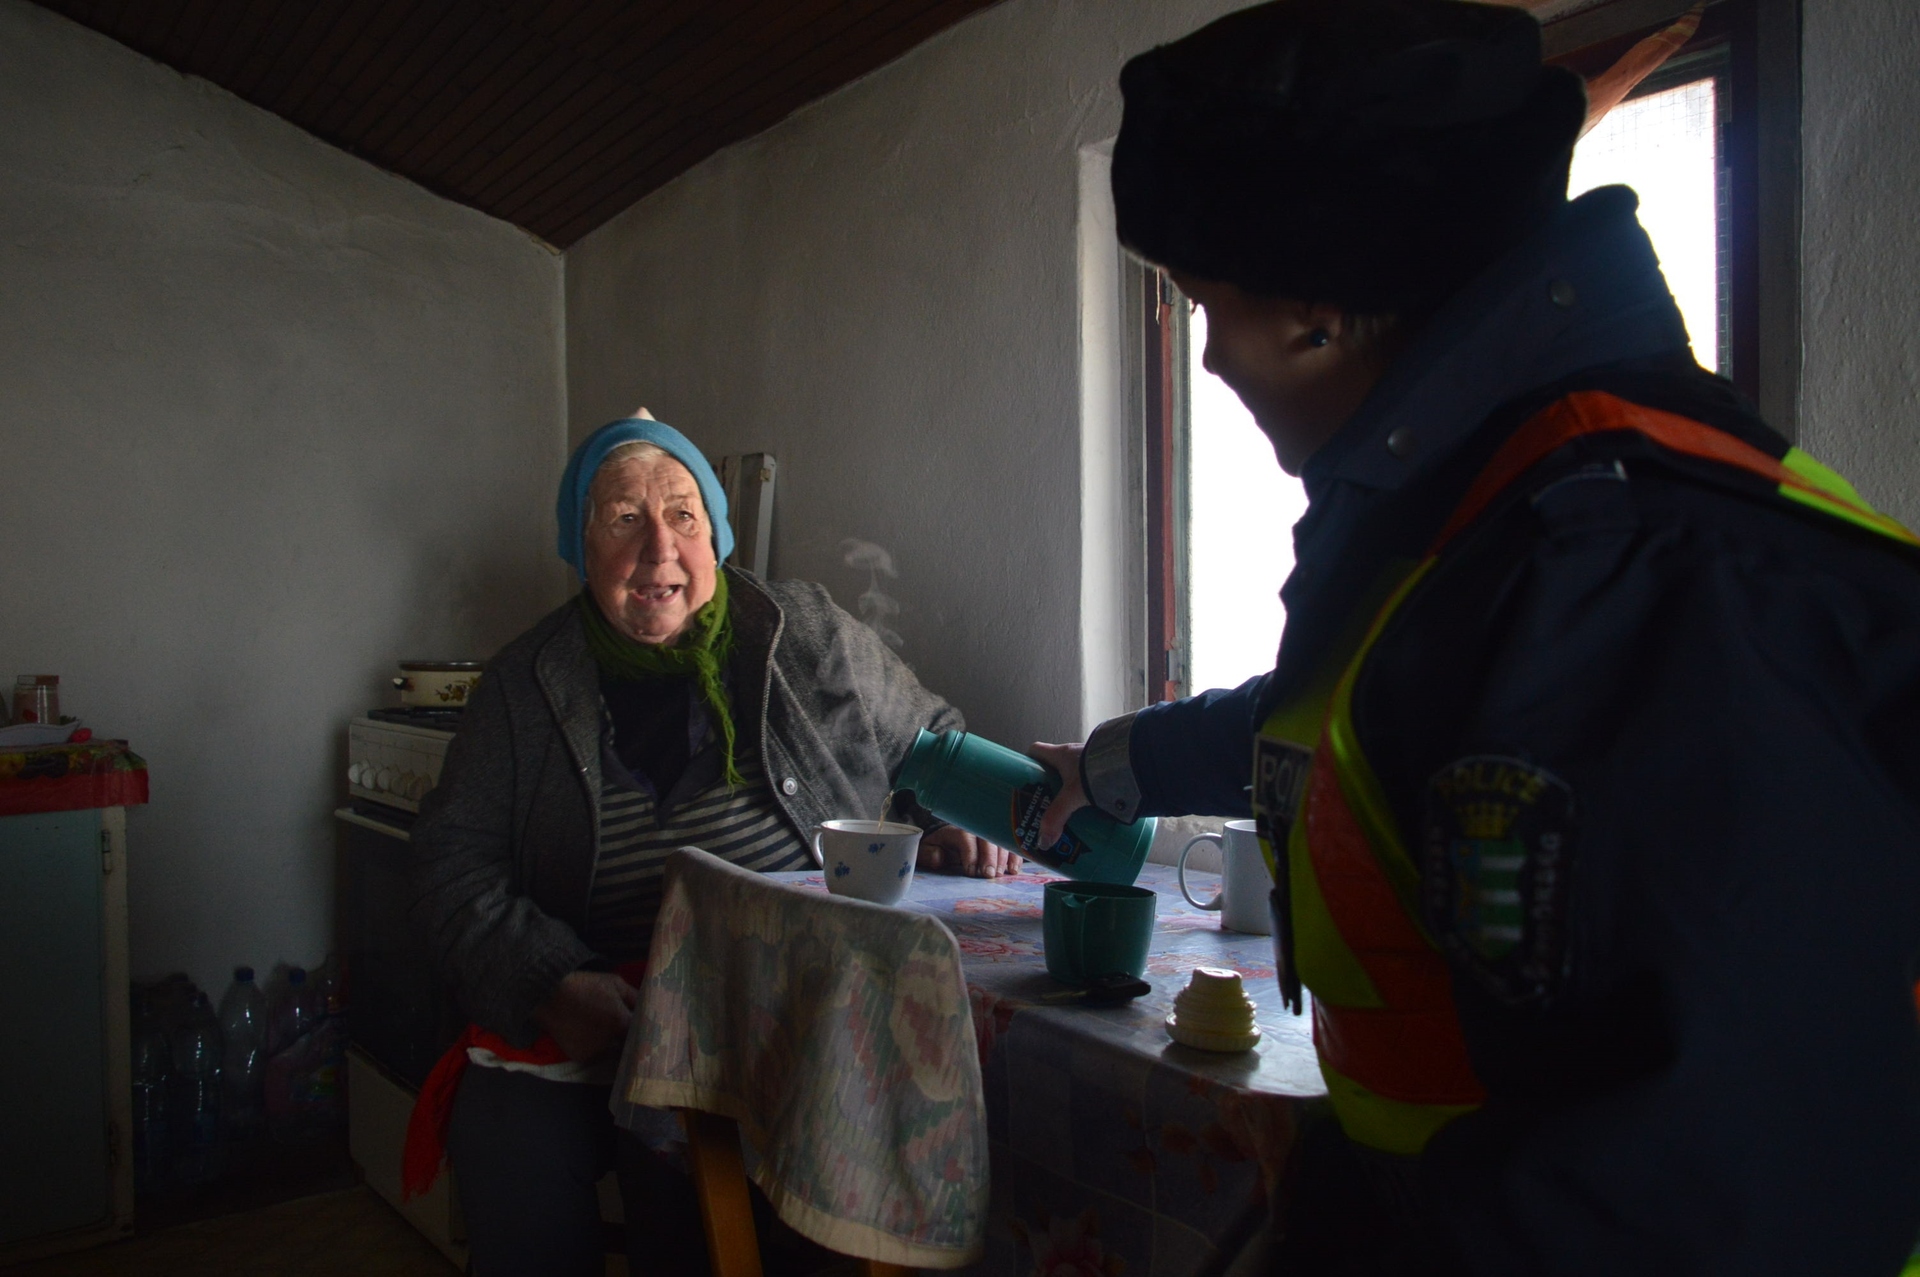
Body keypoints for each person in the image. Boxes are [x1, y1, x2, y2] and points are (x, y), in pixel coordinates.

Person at [1033, 2, 1920, 1273]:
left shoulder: (1633, 574)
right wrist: (1113, 767)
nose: (1209, 356)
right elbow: (1368, 724)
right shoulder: (1486, 508)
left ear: (1315, 310)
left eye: (1198, 300)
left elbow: (1695, 1204)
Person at [407, 413, 1015, 1275]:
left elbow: (931, 742)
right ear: (580, 545)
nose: (659, 549)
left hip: (790, 1014)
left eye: (682, 515)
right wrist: (549, 982)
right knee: (512, 1151)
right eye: (624, 518)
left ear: (718, 536)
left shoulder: (804, 631)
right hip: (601, 1016)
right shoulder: (522, 686)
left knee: (745, 1206)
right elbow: (449, 864)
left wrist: (953, 818)